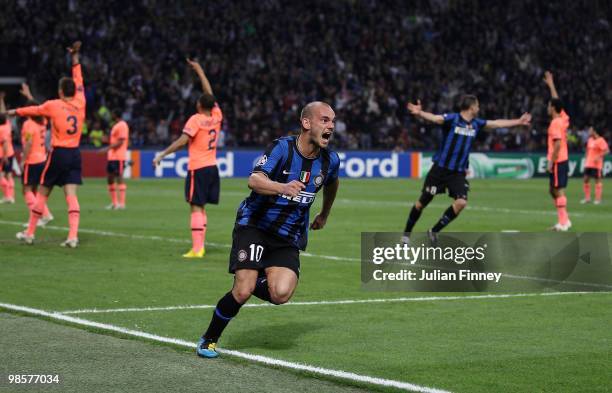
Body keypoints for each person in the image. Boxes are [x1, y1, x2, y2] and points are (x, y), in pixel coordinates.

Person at [196, 101, 340, 358]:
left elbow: (332, 184)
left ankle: (252, 274)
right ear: (307, 123)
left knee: (281, 294)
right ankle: (209, 339)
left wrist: (324, 214)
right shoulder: (282, 148)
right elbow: (254, 179)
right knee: (242, 290)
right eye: (325, 120)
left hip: (288, 236)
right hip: (255, 225)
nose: (331, 126)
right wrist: (281, 187)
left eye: (333, 121)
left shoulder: (331, 161)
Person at [402, 95, 531, 241]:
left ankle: (433, 230)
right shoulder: (453, 119)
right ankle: (405, 237)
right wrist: (420, 113)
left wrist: (518, 121)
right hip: (440, 170)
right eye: (477, 106)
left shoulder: (476, 123)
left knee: (461, 202)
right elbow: (437, 118)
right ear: (471, 107)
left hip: (457, 173)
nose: (479, 108)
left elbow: (496, 124)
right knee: (421, 204)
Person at [7, 41, 86, 247]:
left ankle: (30, 233)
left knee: (42, 192)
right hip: (75, 153)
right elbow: (79, 79)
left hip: (58, 153)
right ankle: (73, 236)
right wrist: (75, 58)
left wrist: (14, 111)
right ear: (74, 91)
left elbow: (34, 110)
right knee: (71, 195)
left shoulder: (54, 105)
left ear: (60, 91)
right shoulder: (81, 102)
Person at [153, 59, 222, 258]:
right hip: (212, 167)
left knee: (195, 207)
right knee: (201, 207)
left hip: (198, 168)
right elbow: (209, 93)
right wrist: (200, 70)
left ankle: (197, 248)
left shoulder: (196, 119)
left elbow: (182, 141)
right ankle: (200, 246)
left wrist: (162, 154)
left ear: (199, 104)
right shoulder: (217, 116)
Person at [18, 83, 53, 224]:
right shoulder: (42, 121)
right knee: (35, 190)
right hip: (42, 159)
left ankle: (37, 217)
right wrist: (29, 95)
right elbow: (39, 109)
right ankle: (45, 214)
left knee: (26, 190)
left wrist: (23, 160)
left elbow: (28, 143)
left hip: (31, 160)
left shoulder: (28, 125)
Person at [543, 71, 571, 231]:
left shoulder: (555, 124)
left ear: (553, 108)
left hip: (558, 160)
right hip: (563, 159)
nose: (547, 107)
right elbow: (557, 101)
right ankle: (565, 219)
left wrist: (550, 162)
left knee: (557, 190)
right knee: (553, 190)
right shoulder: (563, 119)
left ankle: (563, 223)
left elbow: (558, 144)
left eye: (549, 105)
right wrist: (551, 85)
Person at [101, 110, 129, 210]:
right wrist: (107, 140)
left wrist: (107, 148)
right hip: (112, 156)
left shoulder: (122, 125)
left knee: (119, 178)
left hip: (119, 157)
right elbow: (115, 140)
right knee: (110, 179)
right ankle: (114, 203)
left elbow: (121, 142)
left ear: (115, 114)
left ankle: (122, 204)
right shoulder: (116, 125)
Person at [581, 126, 609, 205]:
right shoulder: (590, 140)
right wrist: (586, 158)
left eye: (590, 130)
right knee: (585, 179)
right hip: (588, 163)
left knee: (597, 181)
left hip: (596, 165)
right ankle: (587, 198)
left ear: (594, 131)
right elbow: (588, 150)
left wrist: (599, 156)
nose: (589, 132)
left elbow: (607, 151)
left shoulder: (601, 140)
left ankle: (598, 199)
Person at [0, 92, 16, 204]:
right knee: (9, 174)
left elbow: (4, 142)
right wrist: (1, 100)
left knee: (1, 176)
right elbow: (3, 113)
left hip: (2, 154)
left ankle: (8, 196)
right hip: (10, 152)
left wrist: (4, 156)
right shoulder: (8, 125)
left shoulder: (1, 129)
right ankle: (11, 196)